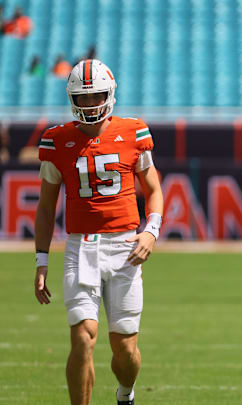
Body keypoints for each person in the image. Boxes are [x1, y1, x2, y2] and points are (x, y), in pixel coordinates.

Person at [33, 59, 164, 405]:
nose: (90, 104)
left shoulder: (133, 132)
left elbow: (153, 190)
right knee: (82, 339)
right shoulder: (56, 140)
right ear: (72, 99)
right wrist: (41, 260)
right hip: (80, 249)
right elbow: (46, 207)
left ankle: (126, 393)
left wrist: (151, 230)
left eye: (97, 97)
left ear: (110, 95)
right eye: (83, 98)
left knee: (125, 352)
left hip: (124, 248)